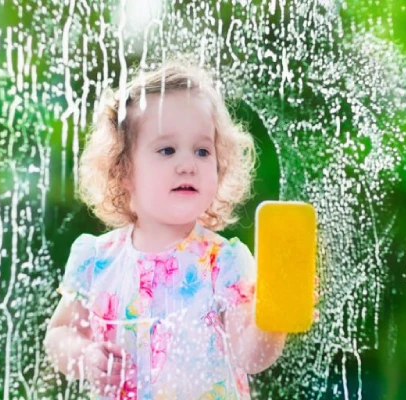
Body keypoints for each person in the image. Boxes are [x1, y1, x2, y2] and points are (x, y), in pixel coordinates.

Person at [44, 59, 287, 399]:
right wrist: (84, 356)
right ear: (123, 170)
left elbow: (250, 356)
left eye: (203, 151)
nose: (188, 164)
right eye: (167, 149)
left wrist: (274, 316)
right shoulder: (97, 260)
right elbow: (59, 334)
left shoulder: (224, 263)